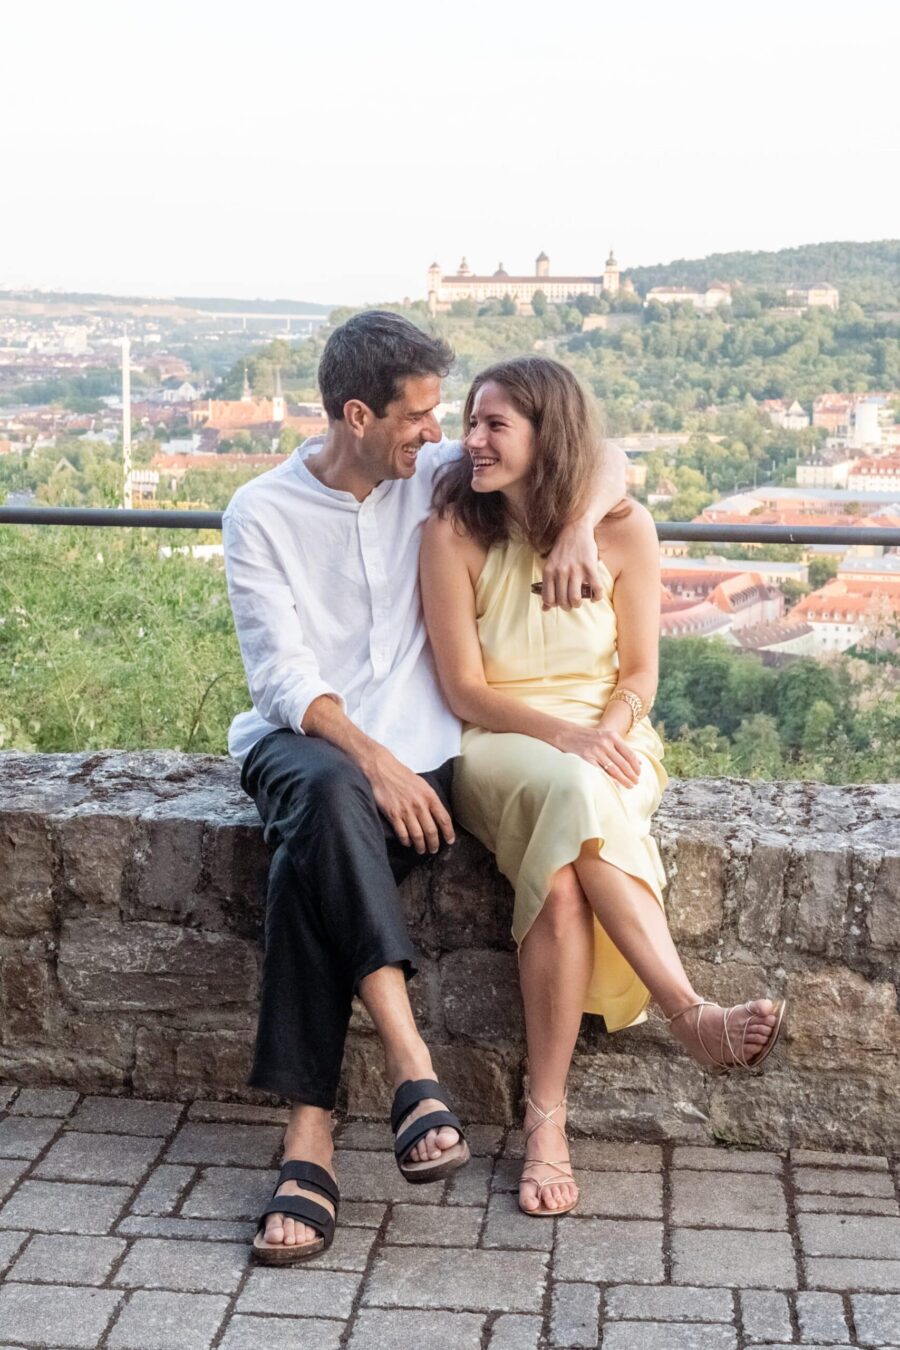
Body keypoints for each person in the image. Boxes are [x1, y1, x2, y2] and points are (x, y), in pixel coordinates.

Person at [222, 313, 628, 1263]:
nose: (437, 431)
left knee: (304, 867)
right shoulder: (259, 512)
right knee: (328, 793)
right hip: (303, 742)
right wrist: (376, 761)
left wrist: (577, 525)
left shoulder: (434, 475)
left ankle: (310, 1145)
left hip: (418, 756)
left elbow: (604, 456)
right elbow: (280, 677)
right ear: (357, 416)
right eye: (417, 415)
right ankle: (412, 1064)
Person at [420, 355, 786, 1220]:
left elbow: (642, 674)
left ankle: (545, 1123)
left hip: (612, 734)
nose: (472, 440)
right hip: (504, 741)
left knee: (561, 875)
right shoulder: (452, 531)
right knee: (573, 789)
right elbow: (463, 690)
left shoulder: (623, 529)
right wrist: (567, 738)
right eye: (471, 421)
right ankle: (688, 1012)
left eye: (495, 425)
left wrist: (607, 731)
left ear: (547, 435)